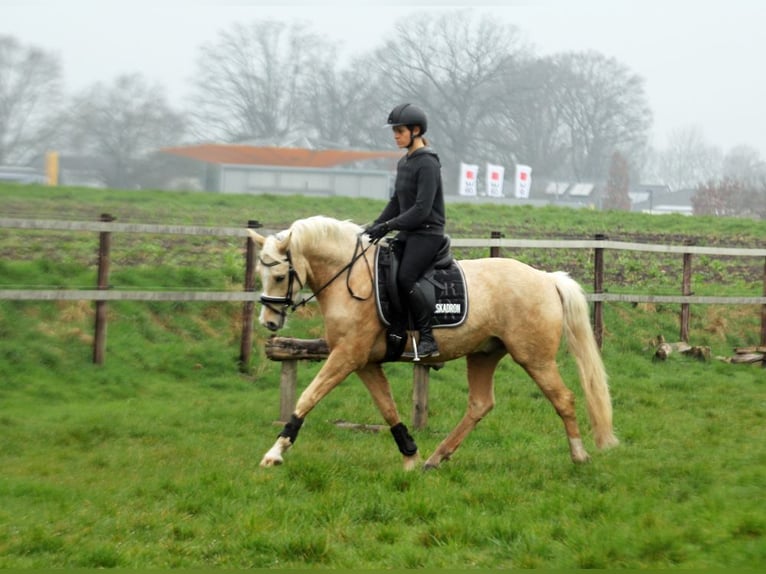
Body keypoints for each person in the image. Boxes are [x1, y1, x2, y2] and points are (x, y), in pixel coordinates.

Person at [365, 103, 445, 358]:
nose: (395, 136)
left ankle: (428, 338)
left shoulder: (428, 164)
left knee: (405, 278)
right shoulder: (404, 163)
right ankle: (397, 328)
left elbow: (422, 209)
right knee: (384, 272)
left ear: (416, 130)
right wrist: (374, 226)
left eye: (399, 131)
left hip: (427, 234)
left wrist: (389, 226)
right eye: (395, 131)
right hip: (408, 234)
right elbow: (397, 202)